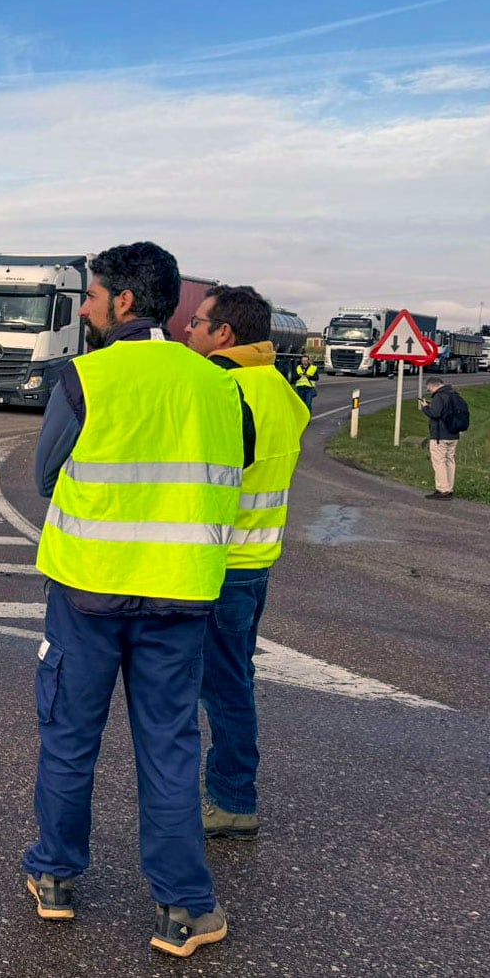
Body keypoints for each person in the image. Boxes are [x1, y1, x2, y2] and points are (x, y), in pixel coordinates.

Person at [25, 242, 254, 958]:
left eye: (91, 296)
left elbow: (41, 475)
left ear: (124, 301)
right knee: (169, 747)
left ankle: (56, 880)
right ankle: (183, 910)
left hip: (88, 591)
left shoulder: (81, 379)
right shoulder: (219, 385)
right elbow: (235, 461)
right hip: (181, 596)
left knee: (69, 738)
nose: (86, 309)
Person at [184, 286, 310, 841]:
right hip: (256, 560)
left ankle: (233, 799)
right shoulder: (280, 389)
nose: (188, 329)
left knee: (225, 687)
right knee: (235, 679)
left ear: (225, 334)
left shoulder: (226, 389)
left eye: (198, 322)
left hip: (222, 563)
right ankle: (232, 793)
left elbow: (201, 475)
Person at [417, 377, 463, 500]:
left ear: (433, 386)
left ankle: (443, 489)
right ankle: (449, 487)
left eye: (428, 389)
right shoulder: (454, 395)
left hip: (440, 435)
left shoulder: (439, 396)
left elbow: (435, 413)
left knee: (439, 462)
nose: (429, 391)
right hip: (453, 434)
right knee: (449, 460)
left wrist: (425, 407)